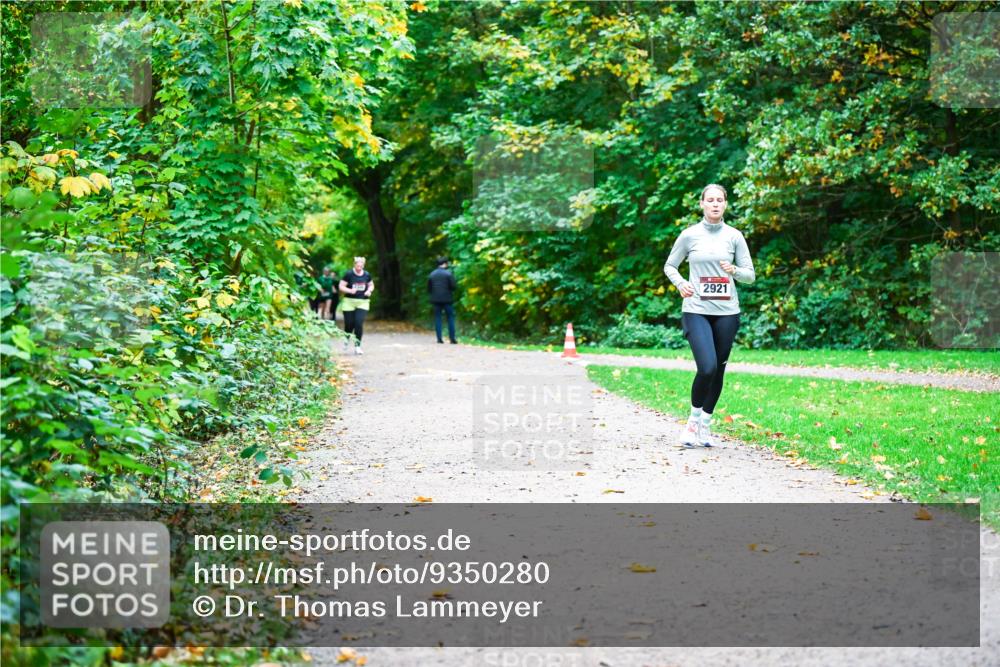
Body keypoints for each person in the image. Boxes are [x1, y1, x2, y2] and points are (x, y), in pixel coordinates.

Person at [663, 184, 755, 447]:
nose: (715, 204)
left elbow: (750, 275)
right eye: (710, 200)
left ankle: (705, 425)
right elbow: (670, 265)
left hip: (727, 312)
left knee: (719, 372)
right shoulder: (689, 235)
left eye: (719, 200)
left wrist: (734, 270)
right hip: (696, 310)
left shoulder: (734, 236)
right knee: (707, 367)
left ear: (725, 204)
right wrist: (681, 283)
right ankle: (692, 423)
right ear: (702, 203)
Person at [339, 256, 374, 354]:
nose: (359, 268)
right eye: (357, 266)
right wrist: (350, 290)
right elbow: (341, 286)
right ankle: (346, 339)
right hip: (349, 302)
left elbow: (371, 285)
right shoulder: (349, 274)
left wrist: (369, 291)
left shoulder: (367, 275)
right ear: (354, 265)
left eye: (361, 266)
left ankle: (357, 346)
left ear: (363, 265)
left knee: (358, 323)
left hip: (363, 302)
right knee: (349, 324)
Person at [427, 256, 458, 344]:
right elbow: (453, 286)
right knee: (450, 318)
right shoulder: (448, 274)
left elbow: (429, 288)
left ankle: (439, 338)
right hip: (447, 299)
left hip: (436, 299)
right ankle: (452, 339)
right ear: (445, 264)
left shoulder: (432, 274)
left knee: (438, 318)